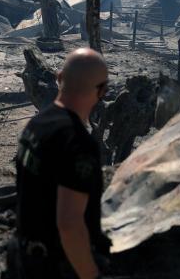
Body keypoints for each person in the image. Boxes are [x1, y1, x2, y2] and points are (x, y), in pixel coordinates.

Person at [7, 48, 111, 279]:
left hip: (22, 254)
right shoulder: (78, 143)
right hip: (54, 265)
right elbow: (69, 224)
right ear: (102, 91)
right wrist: (90, 274)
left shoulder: (37, 123)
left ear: (59, 78)